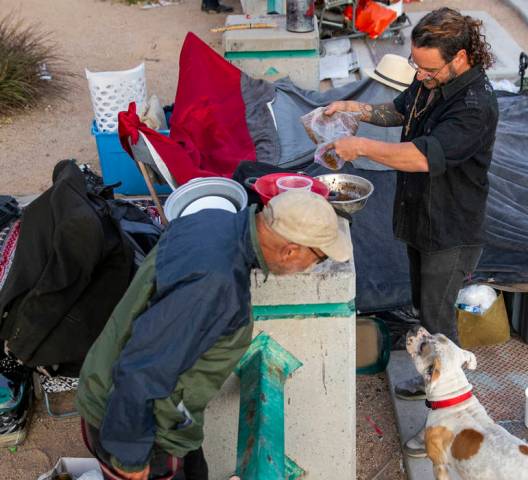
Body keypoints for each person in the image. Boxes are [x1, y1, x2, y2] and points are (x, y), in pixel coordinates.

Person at [75, 190, 352, 480]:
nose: (313, 266)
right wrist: (130, 456)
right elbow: (142, 368)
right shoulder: (214, 284)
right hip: (134, 421)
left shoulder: (214, 222)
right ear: (291, 250)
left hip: (158, 410)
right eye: (318, 258)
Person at [325, 7, 498, 403]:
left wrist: (362, 147)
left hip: (450, 228)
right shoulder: (429, 80)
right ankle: (429, 383)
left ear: (460, 57)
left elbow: (423, 157)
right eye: (415, 67)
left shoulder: (474, 106)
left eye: (429, 70)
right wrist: (353, 110)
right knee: (425, 306)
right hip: (421, 216)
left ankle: (448, 406)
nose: (420, 77)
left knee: (438, 320)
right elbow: (400, 109)